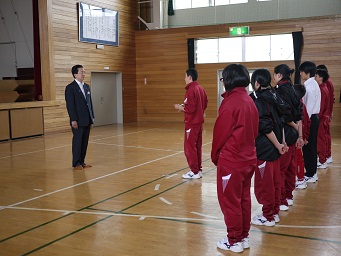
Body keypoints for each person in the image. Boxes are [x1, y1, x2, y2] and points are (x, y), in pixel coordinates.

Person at [211, 64, 258, 253]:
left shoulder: (230, 103)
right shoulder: (249, 100)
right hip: (248, 159)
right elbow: (255, 131)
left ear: (228, 80)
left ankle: (234, 240)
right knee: (243, 199)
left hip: (232, 161)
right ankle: (243, 236)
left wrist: (215, 156)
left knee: (230, 201)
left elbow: (220, 135)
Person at [249, 69, 287, 227]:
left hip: (266, 149)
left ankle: (268, 216)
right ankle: (274, 212)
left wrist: (279, 145)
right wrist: (282, 142)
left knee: (265, 184)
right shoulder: (275, 95)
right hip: (276, 147)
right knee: (274, 181)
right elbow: (282, 121)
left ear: (257, 83)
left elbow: (266, 127)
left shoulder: (261, 100)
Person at [273, 64, 303, 210]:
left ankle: (282, 199)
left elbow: (285, 116)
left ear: (279, 75)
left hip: (285, 133)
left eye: (274, 74)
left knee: (282, 169)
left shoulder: (278, 92)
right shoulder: (294, 89)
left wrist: (295, 126)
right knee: (290, 167)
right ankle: (289, 196)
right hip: (294, 134)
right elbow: (300, 116)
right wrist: (300, 134)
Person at [174, 68, 208, 179]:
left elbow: (191, 108)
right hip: (199, 124)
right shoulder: (201, 89)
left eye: (185, 76)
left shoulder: (191, 90)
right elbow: (204, 104)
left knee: (189, 148)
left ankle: (194, 171)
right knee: (197, 147)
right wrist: (185, 107)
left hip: (191, 124)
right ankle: (198, 170)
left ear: (190, 77)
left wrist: (180, 107)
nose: (184, 79)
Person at [65, 65, 94, 170]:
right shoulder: (70, 88)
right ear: (75, 74)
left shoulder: (86, 86)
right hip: (77, 120)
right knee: (78, 141)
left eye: (84, 72)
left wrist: (92, 117)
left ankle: (82, 161)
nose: (84, 74)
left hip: (87, 119)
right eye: (82, 72)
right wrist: (73, 119)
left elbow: (89, 103)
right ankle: (76, 163)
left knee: (85, 141)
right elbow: (70, 105)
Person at [299, 61, 321, 183]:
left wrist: (304, 125)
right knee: (311, 145)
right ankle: (312, 172)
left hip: (310, 117)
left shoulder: (309, 87)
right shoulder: (314, 84)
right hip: (314, 117)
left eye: (302, 72)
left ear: (307, 72)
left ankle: (311, 173)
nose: (301, 74)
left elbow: (307, 107)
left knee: (308, 146)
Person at [293, 84, 310, 190]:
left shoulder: (299, 104)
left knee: (298, 158)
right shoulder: (299, 103)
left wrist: (303, 137)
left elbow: (305, 122)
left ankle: (300, 179)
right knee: (297, 157)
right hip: (299, 134)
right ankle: (298, 177)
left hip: (299, 135)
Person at [316, 65, 334, 164]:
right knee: (325, 137)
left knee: (322, 138)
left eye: (316, 75)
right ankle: (327, 155)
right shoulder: (324, 86)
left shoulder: (324, 87)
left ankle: (323, 159)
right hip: (325, 115)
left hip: (323, 116)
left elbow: (323, 105)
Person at [314, 68, 330, 169]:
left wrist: (316, 119)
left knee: (320, 140)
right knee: (321, 139)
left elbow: (321, 106)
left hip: (321, 119)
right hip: (323, 118)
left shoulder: (322, 89)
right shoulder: (323, 88)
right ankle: (322, 158)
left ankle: (322, 160)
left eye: (316, 76)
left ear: (321, 78)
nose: (315, 78)